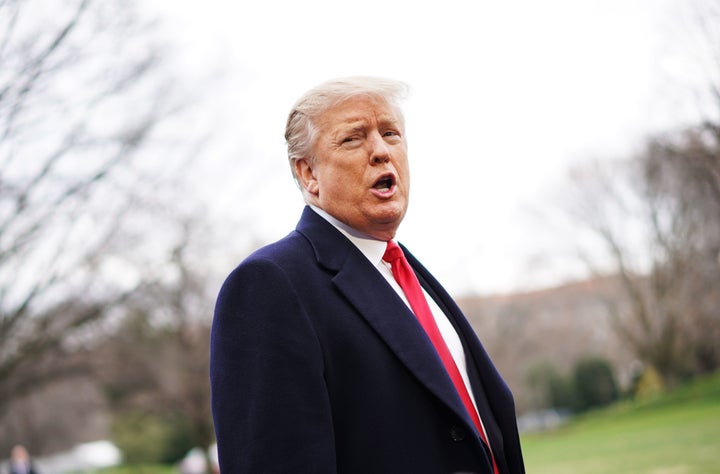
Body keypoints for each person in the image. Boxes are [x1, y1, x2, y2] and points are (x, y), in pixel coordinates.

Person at [210, 76, 525, 473]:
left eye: (390, 133)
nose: (381, 151)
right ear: (308, 174)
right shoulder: (269, 285)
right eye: (353, 139)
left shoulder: (408, 273)